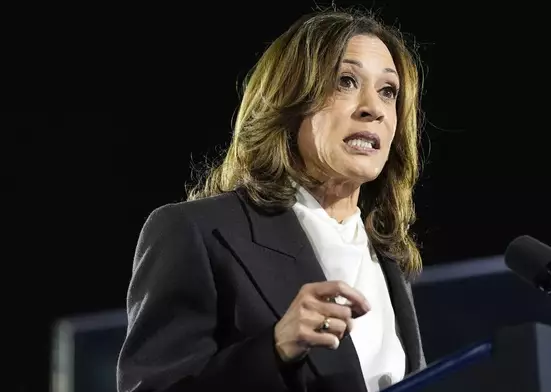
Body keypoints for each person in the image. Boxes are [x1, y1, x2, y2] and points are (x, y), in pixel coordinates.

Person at [116, 7, 427, 392]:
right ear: (289, 100)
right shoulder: (198, 232)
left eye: (387, 91)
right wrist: (275, 348)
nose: (373, 108)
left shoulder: (389, 259)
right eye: (345, 81)